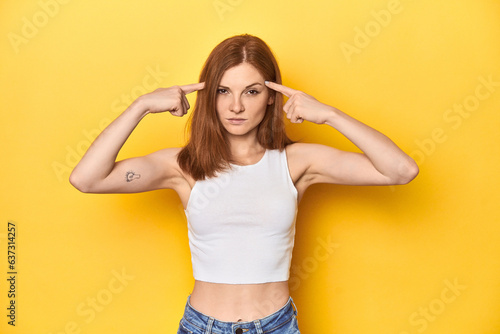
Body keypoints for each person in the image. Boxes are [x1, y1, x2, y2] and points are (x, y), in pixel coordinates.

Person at [69, 34, 418, 333]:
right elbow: (87, 178)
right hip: (202, 326)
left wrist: (328, 114)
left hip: (276, 325)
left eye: (251, 91)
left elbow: (400, 171)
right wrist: (141, 106)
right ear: (210, 96)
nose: (236, 106)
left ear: (271, 97)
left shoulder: (296, 162)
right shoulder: (184, 166)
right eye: (223, 91)